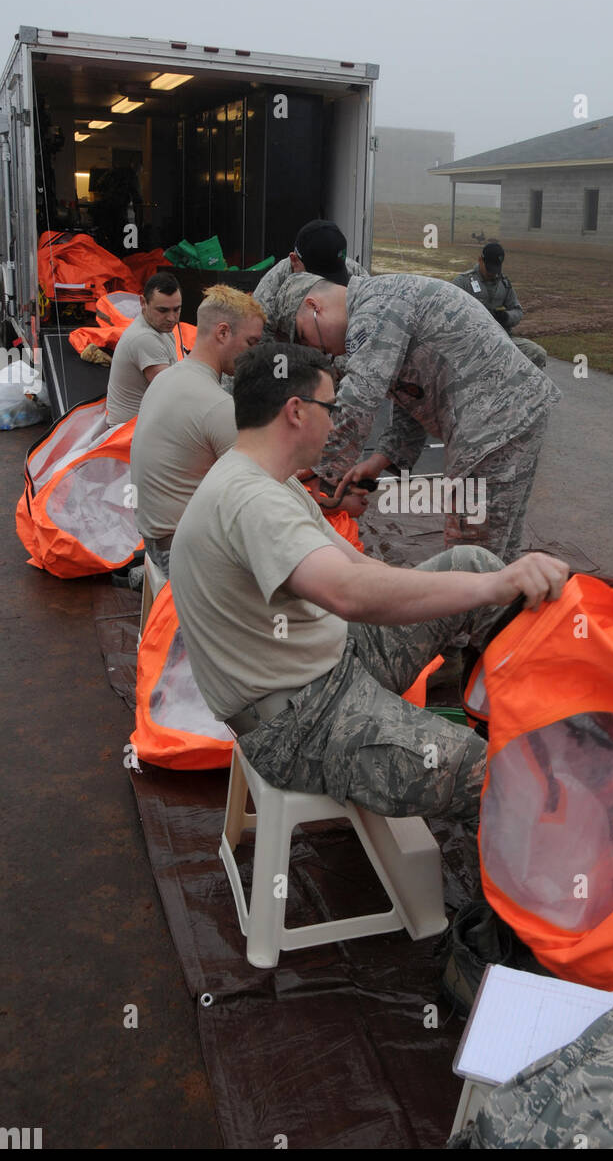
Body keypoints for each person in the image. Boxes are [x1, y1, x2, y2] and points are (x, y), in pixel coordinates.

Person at [169, 342, 568, 825]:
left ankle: (535, 709)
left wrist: (486, 581)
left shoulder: (272, 481)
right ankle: (523, 879)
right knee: (501, 775)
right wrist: (493, 589)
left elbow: (359, 568)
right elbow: (347, 594)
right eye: (330, 407)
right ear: (296, 411)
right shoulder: (251, 500)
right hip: (299, 722)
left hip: (329, 664)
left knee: (474, 562)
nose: (336, 421)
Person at [281, 273, 561, 564]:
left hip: (493, 425)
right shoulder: (380, 308)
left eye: (303, 334)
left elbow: (359, 399)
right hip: (509, 417)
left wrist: (317, 474)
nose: (315, 348)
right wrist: (378, 461)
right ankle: (507, 603)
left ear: (315, 307)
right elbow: (413, 400)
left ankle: (475, 608)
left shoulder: (374, 308)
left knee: (470, 554)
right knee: (497, 547)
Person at [129, 285, 265, 575]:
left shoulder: (168, 378)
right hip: (180, 552)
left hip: (153, 539)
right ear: (223, 333)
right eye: (251, 343)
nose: (254, 354)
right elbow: (258, 488)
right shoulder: (216, 405)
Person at [253, 219, 368, 341]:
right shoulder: (268, 295)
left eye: (333, 278)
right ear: (294, 260)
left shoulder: (356, 276)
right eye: (317, 279)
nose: (326, 287)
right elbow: (258, 348)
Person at [453, 241, 547, 370]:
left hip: (501, 339)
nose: (492, 273)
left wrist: (506, 317)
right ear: (480, 260)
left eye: (496, 269)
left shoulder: (504, 284)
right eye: (489, 268)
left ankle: (521, 388)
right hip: (471, 341)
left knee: (537, 353)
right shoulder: (463, 282)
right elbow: (449, 311)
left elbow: (517, 310)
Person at [106, 272, 183, 426]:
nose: (172, 318)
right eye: (163, 310)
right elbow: (172, 393)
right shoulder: (144, 338)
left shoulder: (161, 329)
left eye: (176, 309)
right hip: (126, 435)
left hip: (140, 428)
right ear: (143, 302)